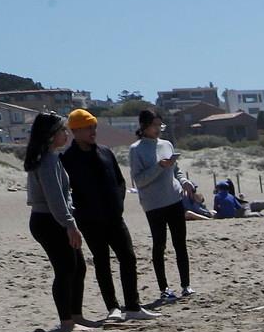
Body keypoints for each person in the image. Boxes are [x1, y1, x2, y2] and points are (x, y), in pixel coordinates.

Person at [61, 109, 156, 320]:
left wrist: (118, 204)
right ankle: (113, 308)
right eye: (87, 127)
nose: (92, 131)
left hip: (114, 217)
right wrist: (78, 215)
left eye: (94, 126)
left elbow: (120, 182)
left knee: (128, 258)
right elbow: (66, 192)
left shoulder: (105, 152)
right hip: (89, 221)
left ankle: (133, 306)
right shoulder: (67, 159)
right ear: (75, 130)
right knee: (102, 262)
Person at [21, 112, 92, 332]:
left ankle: (76, 316)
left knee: (78, 267)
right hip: (48, 221)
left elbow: (64, 194)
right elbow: (54, 199)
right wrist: (70, 224)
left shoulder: (52, 157)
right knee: (66, 269)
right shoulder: (47, 161)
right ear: (51, 135)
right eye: (62, 130)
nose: (66, 133)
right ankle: (67, 322)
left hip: (54, 219)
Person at [129, 109, 193, 302]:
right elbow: (139, 180)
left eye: (160, 125)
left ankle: (186, 285)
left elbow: (177, 170)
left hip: (174, 199)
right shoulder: (136, 149)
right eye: (154, 125)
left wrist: (185, 182)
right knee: (159, 245)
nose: (158, 129)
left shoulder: (167, 144)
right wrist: (159, 167)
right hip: (154, 205)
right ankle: (164, 288)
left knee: (180, 243)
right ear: (144, 126)